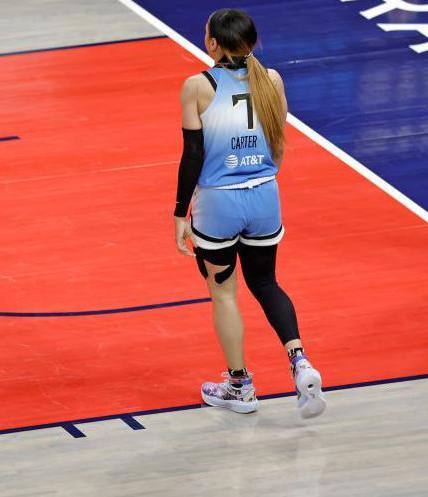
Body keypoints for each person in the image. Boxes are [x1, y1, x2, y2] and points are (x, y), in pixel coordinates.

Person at [172, 8, 326, 419]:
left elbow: (192, 155)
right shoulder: (272, 79)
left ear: (212, 44)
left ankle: (240, 386)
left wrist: (178, 212)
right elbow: (278, 141)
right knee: (266, 282)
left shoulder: (197, 86)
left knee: (224, 293)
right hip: (264, 197)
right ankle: (300, 362)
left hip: (218, 204)